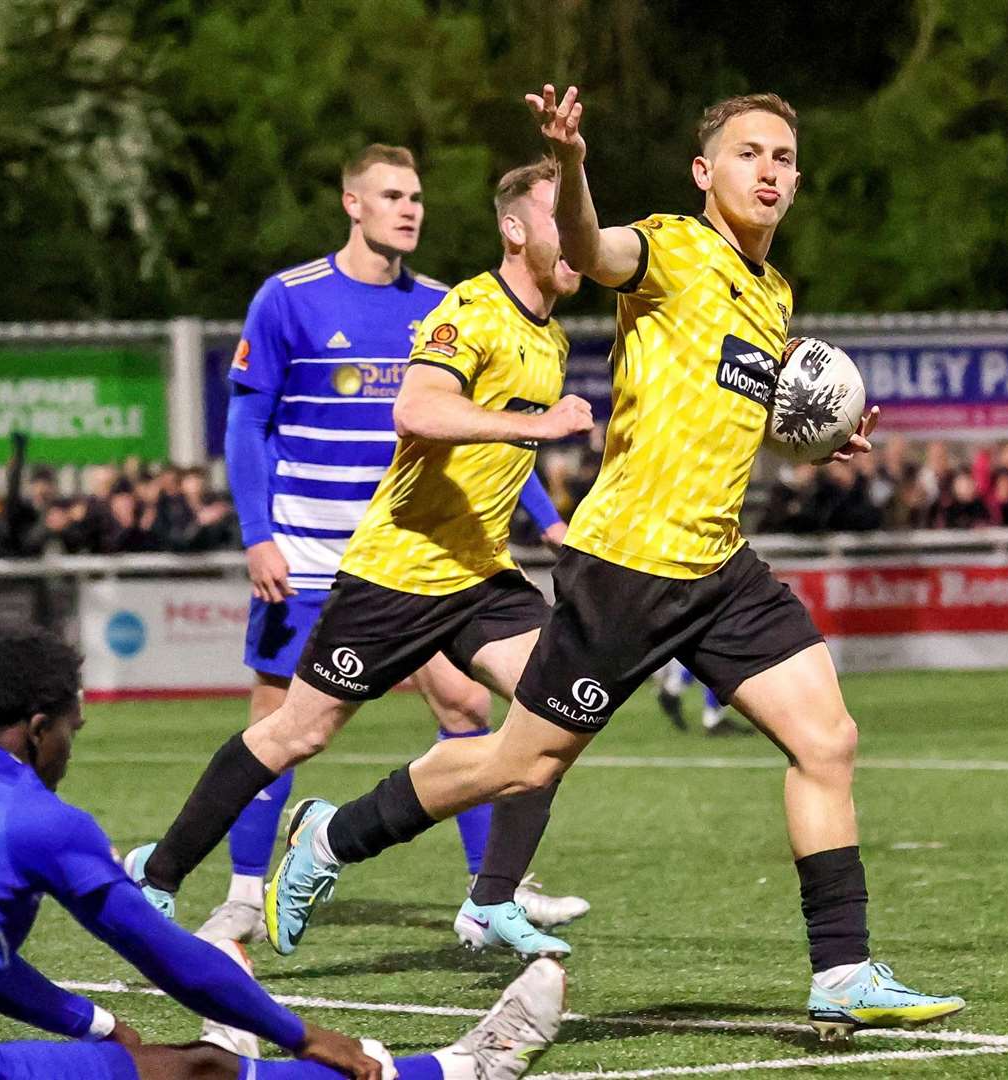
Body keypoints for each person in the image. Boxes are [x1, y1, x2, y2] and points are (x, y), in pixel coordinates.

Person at [266, 87, 965, 1042]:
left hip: (721, 567)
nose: (769, 171)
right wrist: (575, 164)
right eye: (749, 153)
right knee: (520, 764)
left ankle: (841, 970)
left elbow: (732, 404)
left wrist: (810, 432)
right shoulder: (671, 246)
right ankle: (331, 834)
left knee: (827, 739)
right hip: (626, 567)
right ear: (703, 171)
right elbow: (590, 252)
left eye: (784, 158)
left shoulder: (773, 297)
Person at [0, 624, 564, 1080]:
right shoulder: (34, 815)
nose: (72, 742)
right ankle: (456, 1071)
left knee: (140, 1061)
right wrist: (302, 1034)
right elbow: (167, 956)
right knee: (201, 1074)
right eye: (72, 725)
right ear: (39, 726)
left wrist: (97, 1024)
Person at [127, 144, 584, 945]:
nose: (410, 209)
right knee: (291, 730)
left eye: (418, 196)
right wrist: (256, 534)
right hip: (380, 567)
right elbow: (409, 414)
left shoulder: (536, 331)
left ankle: (490, 895)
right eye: (393, 194)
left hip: (476, 570)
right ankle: (166, 879)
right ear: (353, 203)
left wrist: (550, 519)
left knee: (558, 704)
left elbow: (499, 445)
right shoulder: (421, 308)